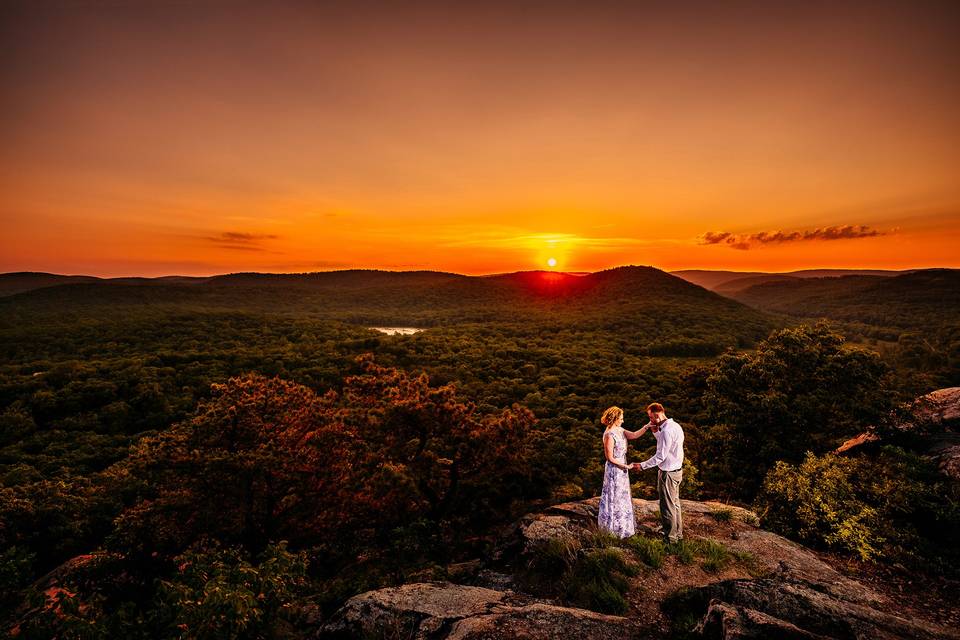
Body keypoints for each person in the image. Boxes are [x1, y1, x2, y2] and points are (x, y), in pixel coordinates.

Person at [597, 406, 649, 538]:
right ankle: (614, 530)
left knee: (621, 496)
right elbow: (609, 458)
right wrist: (626, 466)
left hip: (621, 468)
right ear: (614, 419)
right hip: (615, 469)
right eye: (621, 418)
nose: (623, 420)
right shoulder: (609, 434)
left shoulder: (619, 430)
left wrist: (647, 427)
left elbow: (634, 435)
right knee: (615, 496)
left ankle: (623, 527)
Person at [637, 402, 685, 543]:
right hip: (677, 471)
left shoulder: (666, 431)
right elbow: (668, 445)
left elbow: (660, 456)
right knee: (675, 504)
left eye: (651, 418)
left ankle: (670, 539)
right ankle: (678, 534)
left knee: (667, 507)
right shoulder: (675, 426)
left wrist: (642, 465)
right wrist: (655, 432)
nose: (649, 420)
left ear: (657, 415)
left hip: (668, 474)